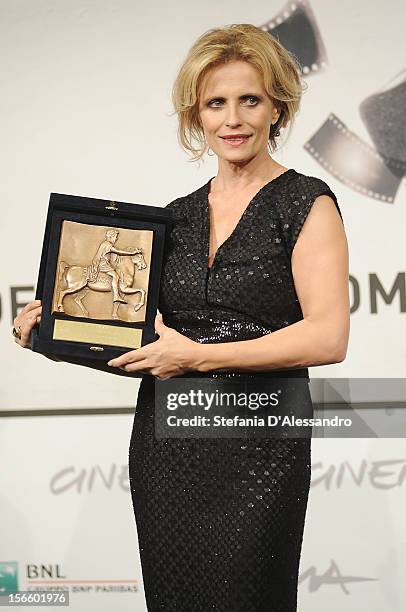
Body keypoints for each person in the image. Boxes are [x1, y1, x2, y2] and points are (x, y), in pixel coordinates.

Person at [13, 23, 350, 612]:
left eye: (250, 99)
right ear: (196, 116)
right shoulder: (174, 218)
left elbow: (328, 336)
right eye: (215, 103)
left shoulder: (305, 202)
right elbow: (151, 347)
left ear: (278, 106)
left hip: (256, 449)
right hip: (169, 451)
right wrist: (54, 333)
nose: (233, 119)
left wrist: (199, 356)